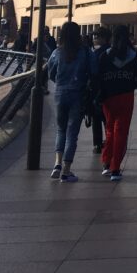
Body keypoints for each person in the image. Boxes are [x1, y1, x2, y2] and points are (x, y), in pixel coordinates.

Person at [95, 25, 137, 181]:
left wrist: (98, 95)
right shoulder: (132, 55)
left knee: (109, 129)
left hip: (108, 98)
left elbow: (98, 76)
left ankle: (106, 162)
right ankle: (115, 168)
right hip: (126, 97)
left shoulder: (105, 56)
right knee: (121, 131)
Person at [46, 21, 94, 183]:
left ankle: (57, 164)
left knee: (61, 130)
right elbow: (94, 71)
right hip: (78, 94)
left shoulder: (57, 52)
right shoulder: (85, 52)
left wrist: (60, 82)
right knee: (72, 133)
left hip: (60, 93)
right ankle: (66, 171)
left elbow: (50, 73)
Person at [88, 26, 111, 153]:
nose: (94, 38)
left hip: (97, 89)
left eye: (96, 36)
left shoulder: (96, 54)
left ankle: (97, 144)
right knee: (107, 118)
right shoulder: (112, 51)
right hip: (110, 90)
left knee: (96, 117)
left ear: (103, 38)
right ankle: (109, 141)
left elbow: (92, 73)